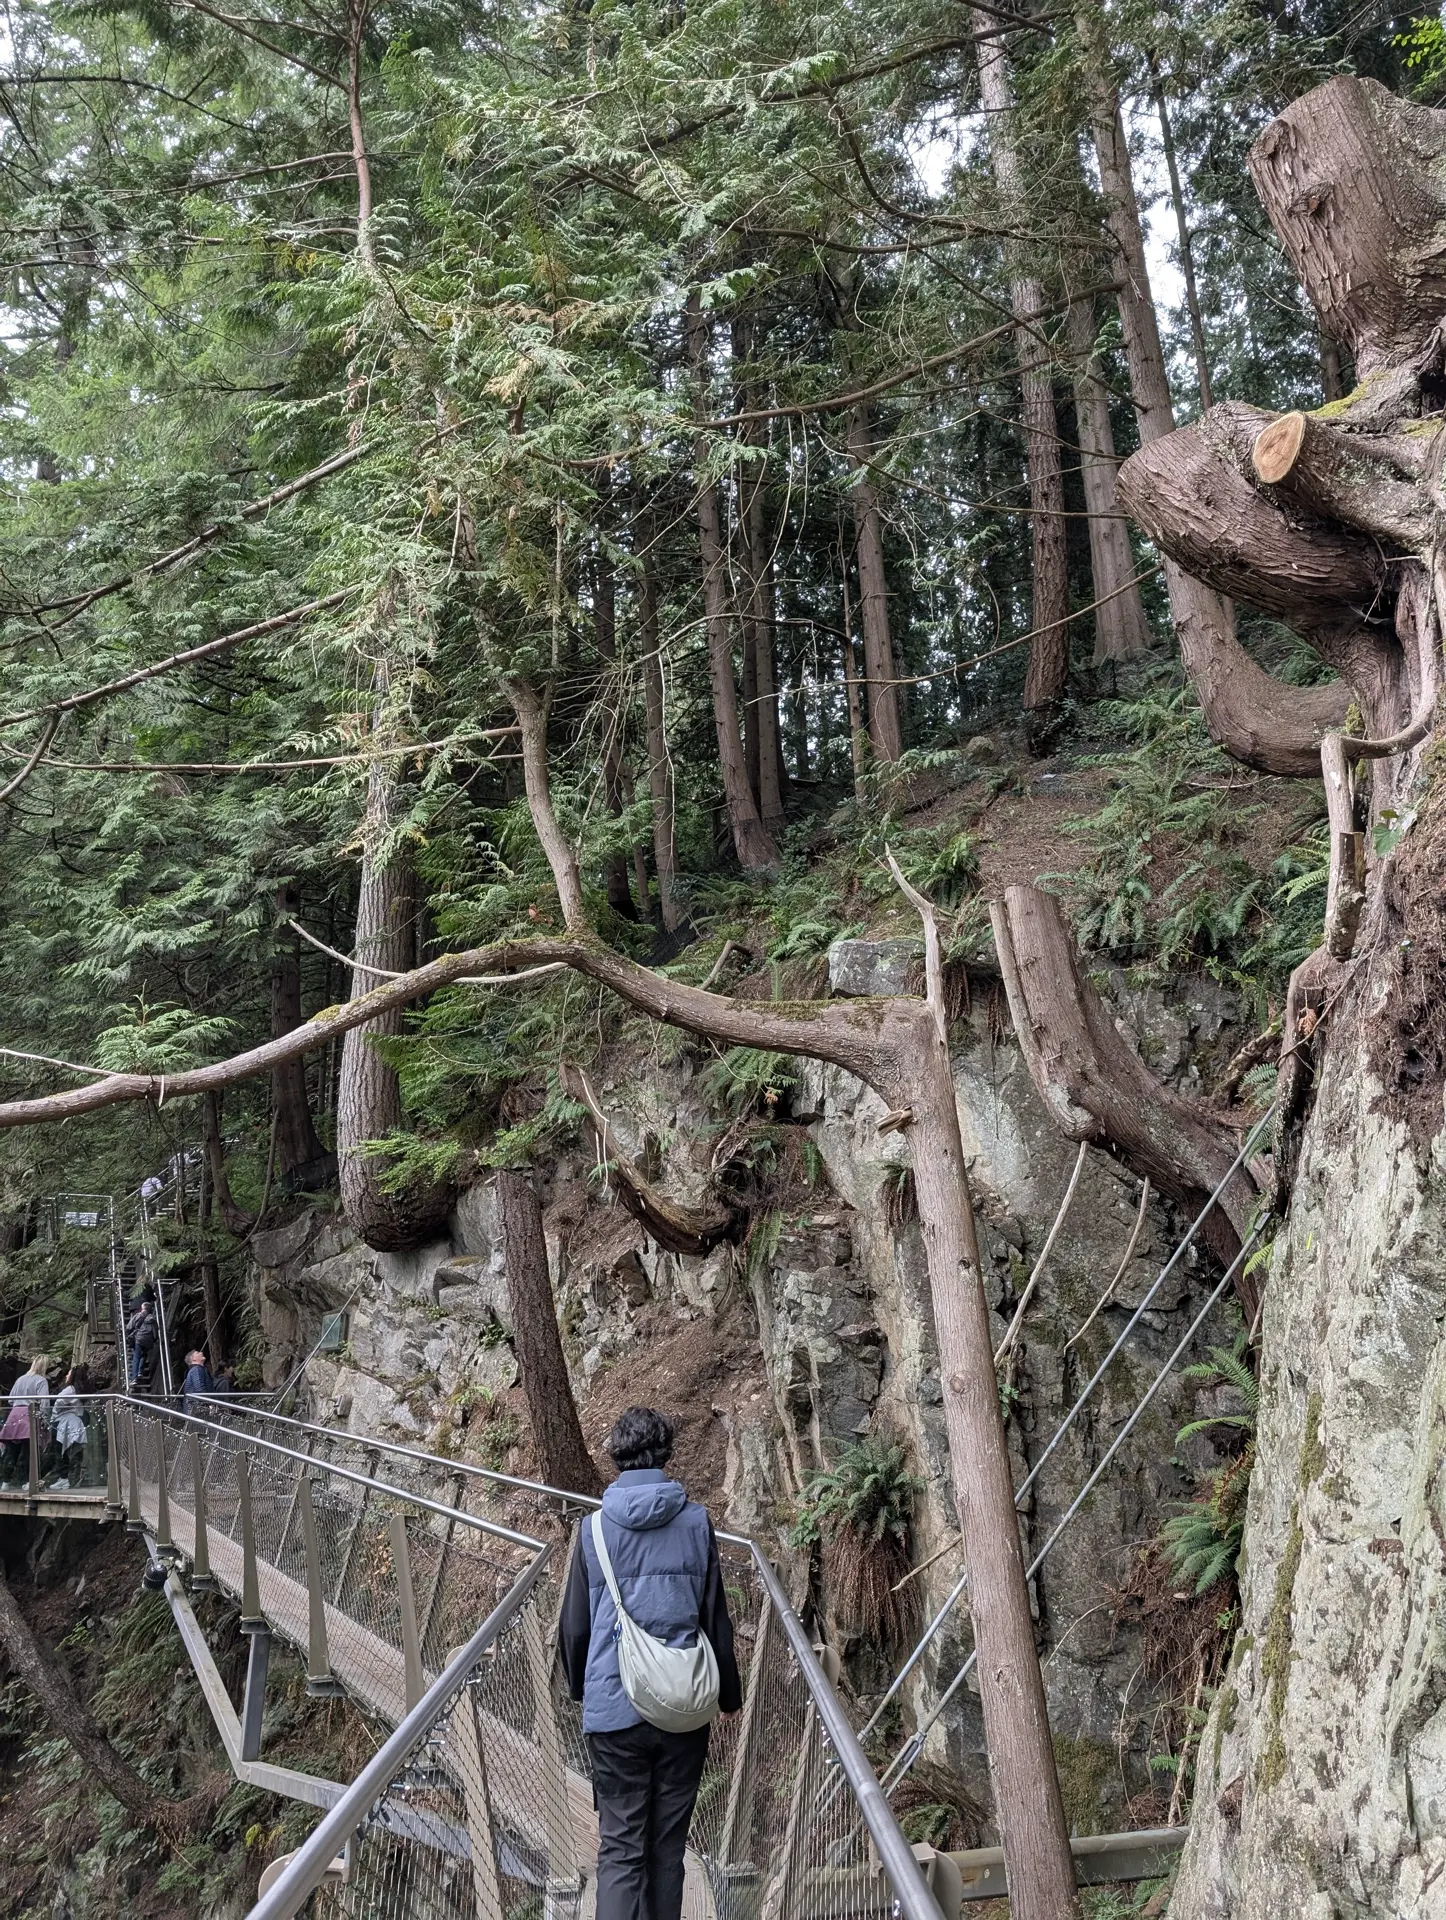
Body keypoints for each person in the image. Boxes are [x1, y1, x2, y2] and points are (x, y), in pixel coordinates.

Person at [559, 1407, 741, 1920]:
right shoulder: (696, 1522)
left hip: (614, 1713)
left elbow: (575, 1627)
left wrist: (583, 1688)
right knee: (666, 1847)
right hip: (682, 1707)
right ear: (665, 1452)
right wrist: (729, 1695)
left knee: (620, 1847)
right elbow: (715, 1617)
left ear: (617, 1457)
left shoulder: (593, 1530)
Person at [0, 1357, 50, 1488]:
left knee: (12, 1451)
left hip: (14, 1415)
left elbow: (11, 1399)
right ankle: (30, 1482)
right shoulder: (41, 1380)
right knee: (30, 1451)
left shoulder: (20, 1379)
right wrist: (45, 1417)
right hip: (30, 1415)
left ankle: (5, 1482)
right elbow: (44, 1402)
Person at [50, 1369, 86, 1487]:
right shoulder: (79, 1390)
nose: (66, 1375)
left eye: (69, 1373)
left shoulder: (70, 1389)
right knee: (72, 1451)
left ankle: (64, 1478)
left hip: (64, 1422)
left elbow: (58, 1402)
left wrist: (55, 1414)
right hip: (75, 1422)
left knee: (60, 1451)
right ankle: (71, 1477)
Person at [128, 1300, 157, 1385]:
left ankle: (134, 1378)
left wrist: (130, 1334)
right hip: (148, 1340)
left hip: (139, 1339)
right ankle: (140, 1372)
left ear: (142, 1308)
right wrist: (154, 1339)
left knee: (136, 1358)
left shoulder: (137, 1316)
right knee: (143, 1355)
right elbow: (155, 1330)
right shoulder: (153, 1318)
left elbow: (129, 1327)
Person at [181, 1349, 213, 1414]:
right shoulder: (196, 1369)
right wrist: (209, 1403)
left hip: (195, 1408)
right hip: (197, 1409)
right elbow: (199, 1389)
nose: (201, 1352)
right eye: (198, 1353)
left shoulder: (196, 1370)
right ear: (193, 1359)